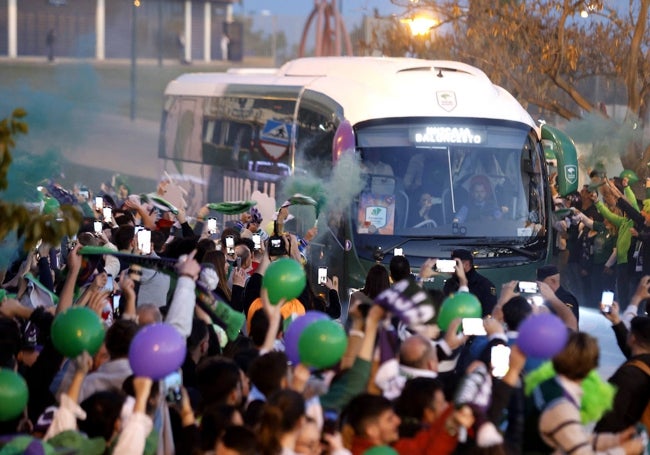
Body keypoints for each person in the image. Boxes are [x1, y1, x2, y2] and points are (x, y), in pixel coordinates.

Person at [443, 249, 497, 316]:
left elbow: (489, 313)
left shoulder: (485, 285)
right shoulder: (450, 283)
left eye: (456, 264)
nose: (453, 267)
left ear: (466, 264)